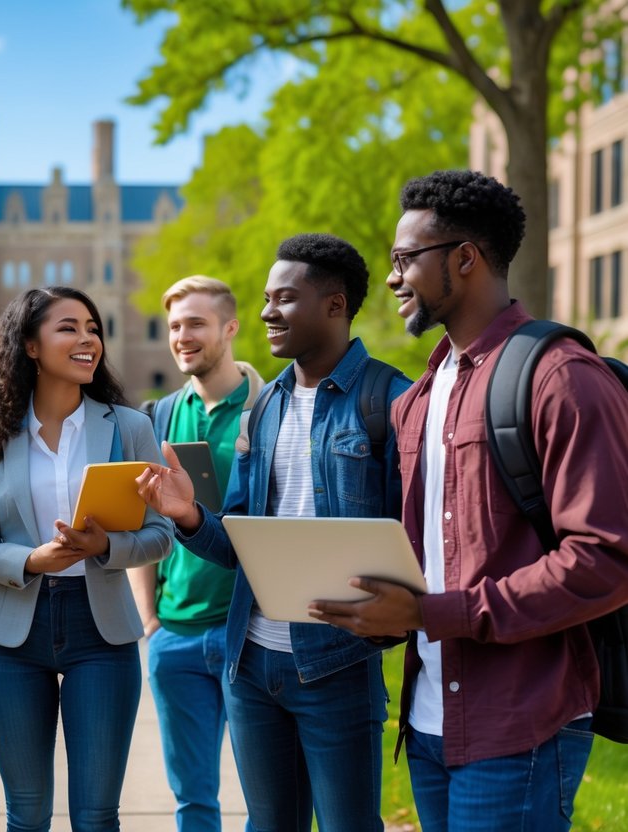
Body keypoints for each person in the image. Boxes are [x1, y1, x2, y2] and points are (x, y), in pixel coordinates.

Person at [309, 170, 628, 831]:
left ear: (464, 258)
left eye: (404, 260)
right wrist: (388, 612)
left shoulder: (560, 378)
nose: (392, 278)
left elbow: (603, 560)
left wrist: (439, 610)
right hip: (426, 727)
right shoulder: (416, 399)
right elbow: (432, 553)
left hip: (522, 722)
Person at [138, 234, 411, 832]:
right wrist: (188, 516)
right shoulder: (267, 407)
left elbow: (416, 544)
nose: (266, 312)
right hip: (251, 662)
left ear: (335, 306)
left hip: (337, 666)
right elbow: (240, 547)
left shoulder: (390, 401)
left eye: (285, 298)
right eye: (265, 298)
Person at [0, 285, 173, 832]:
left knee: (97, 816)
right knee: (25, 815)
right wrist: (31, 560)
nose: (87, 340)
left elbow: (161, 534)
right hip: (13, 637)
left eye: (93, 328)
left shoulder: (130, 428)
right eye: (69, 328)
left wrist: (106, 547)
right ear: (30, 345)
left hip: (100, 632)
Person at [128, 275, 262, 832]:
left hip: (249, 635)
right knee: (193, 803)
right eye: (176, 326)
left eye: (197, 324)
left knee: (270, 801)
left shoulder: (269, 408)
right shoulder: (155, 417)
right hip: (175, 635)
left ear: (230, 329)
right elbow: (139, 523)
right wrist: (150, 619)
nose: (183, 336)